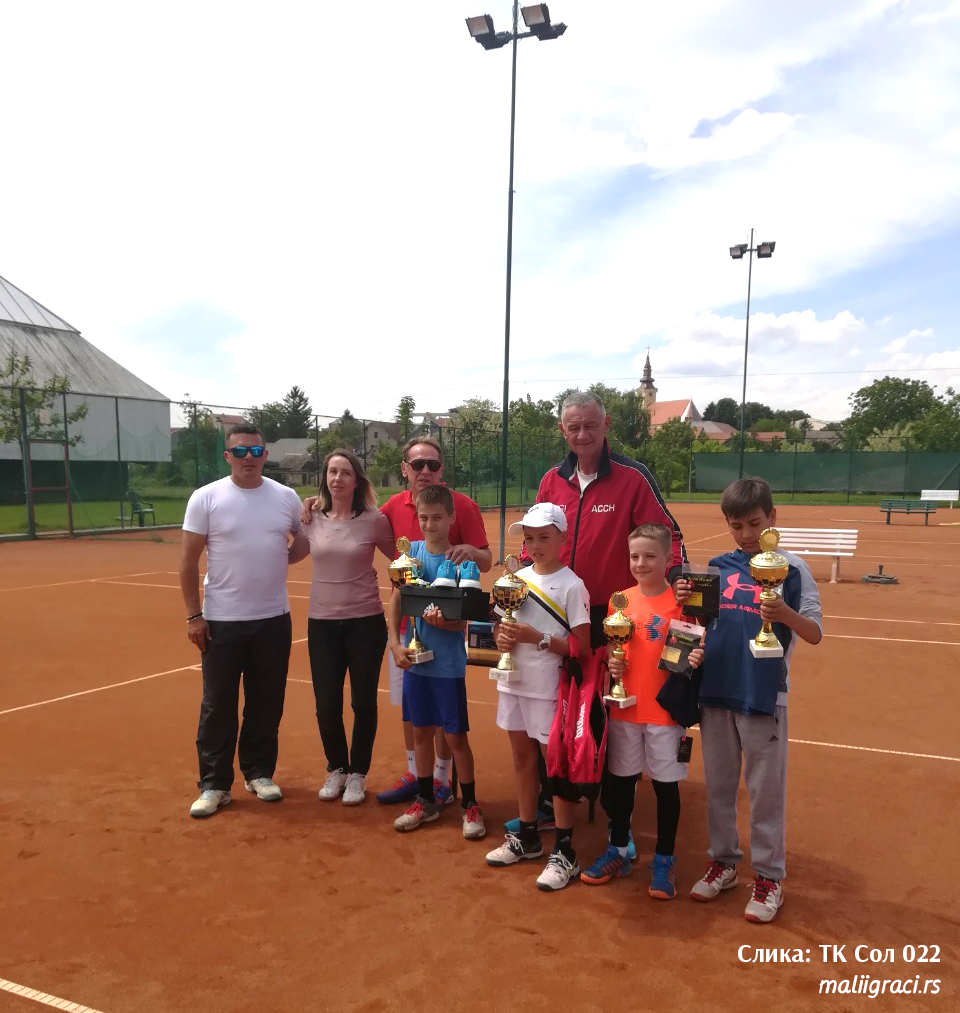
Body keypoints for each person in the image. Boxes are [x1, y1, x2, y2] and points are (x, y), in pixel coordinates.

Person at [508, 391, 688, 835]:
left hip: (612, 617)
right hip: (554, 613)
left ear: (606, 426)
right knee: (559, 705)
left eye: (591, 425)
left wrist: (678, 585)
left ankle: (613, 807)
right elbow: (536, 535)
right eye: (574, 427)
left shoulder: (633, 477)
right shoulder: (552, 479)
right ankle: (556, 796)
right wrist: (519, 569)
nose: (583, 435)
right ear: (563, 430)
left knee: (605, 706)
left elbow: (669, 536)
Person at [307, 435, 491, 805]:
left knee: (443, 713)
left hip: (444, 625)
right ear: (405, 469)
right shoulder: (390, 508)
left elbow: (485, 560)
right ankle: (416, 774)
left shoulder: (463, 505)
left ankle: (442, 779)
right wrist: (316, 503)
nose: (425, 471)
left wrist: (470, 551)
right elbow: (360, 525)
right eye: (418, 464)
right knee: (412, 707)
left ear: (442, 469)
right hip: (406, 626)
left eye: (433, 464)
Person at [690, 477, 822, 923]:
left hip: (764, 694)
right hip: (716, 690)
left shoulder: (793, 570)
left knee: (765, 792)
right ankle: (724, 863)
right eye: (736, 525)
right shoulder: (716, 565)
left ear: (772, 519)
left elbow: (815, 633)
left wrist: (783, 613)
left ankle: (768, 877)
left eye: (753, 523)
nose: (745, 534)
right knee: (720, 787)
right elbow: (699, 623)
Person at [179, 424, 303, 819]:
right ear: (227, 456)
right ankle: (214, 784)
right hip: (221, 620)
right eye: (241, 451)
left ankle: (259, 772)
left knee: (266, 701)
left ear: (266, 455)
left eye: (256, 450)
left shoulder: (285, 497)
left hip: (273, 618)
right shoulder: (206, 498)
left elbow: (301, 542)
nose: (249, 457)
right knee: (218, 704)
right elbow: (187, 562)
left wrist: (285, 551)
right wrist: (194, 615)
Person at [580, 524, 703, 899]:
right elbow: (614, 653)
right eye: (634, 556)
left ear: (668, 559)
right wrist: (613, 666)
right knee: (622, 784)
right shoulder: (621, 601)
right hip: (625, 709)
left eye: (650, 556)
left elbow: (692, 649)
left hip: (665, 712)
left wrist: (697, 655)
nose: (641, 563)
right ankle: (618, 850)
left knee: (666, 788)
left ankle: (664, 859)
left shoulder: (681, 603)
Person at [483, 503, 591, 891]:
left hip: (549, 689)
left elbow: (581, 648)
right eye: (529, 538)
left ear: (563, 538)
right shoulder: (515, 578)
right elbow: (497, 629)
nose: (535, 544)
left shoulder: (572, 584)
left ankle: (565, 851)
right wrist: (503, 637)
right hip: (512, 681)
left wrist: (536, 638)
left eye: (544, 537)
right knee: (521, 758)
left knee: (554, 767)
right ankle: (528, 835)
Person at [288, 449, 395, 806]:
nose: (337, 478)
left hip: (366, 623)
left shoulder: (375, 520)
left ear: (357, 480)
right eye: (332, 472)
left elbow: (402, 558)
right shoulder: (311, 517)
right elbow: (294, 553)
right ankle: (337, 767)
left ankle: (358, 774)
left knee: (363, 703)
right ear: (325, 478)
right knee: (326, 704)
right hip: (322, 624)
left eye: (345, 472)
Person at [386, 484, 485, 840]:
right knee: (422, 733)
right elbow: (396, 598)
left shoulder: (463, 560)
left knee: (456, 738)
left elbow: (467, 617)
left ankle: (469, 804)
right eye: (424, 518)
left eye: (437, 518)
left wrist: (450, 624)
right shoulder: (408, 553)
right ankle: (425, 800)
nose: (430, 525)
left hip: (447, 666)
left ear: (451, 518)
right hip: (416, 663)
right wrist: (396, 644)